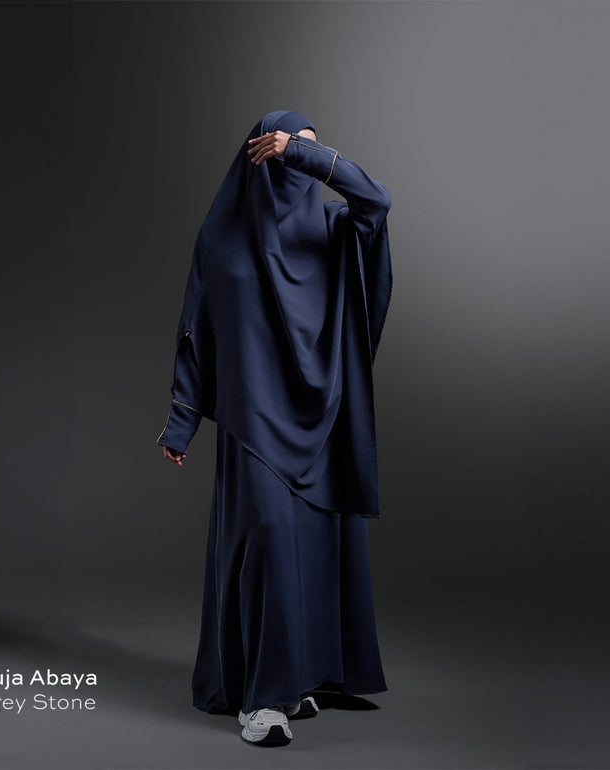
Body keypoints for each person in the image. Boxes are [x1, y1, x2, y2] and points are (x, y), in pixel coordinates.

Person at [156, 110, 393, 747]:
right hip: (251, 419)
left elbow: (377, 201)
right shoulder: (223, 238)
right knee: (267, 541)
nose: (293, 167)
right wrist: (181, 422)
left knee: (313, 550)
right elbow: (196, 329)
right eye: (281, 153)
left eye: (305, 156)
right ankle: (260, 701)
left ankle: (298, 679)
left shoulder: (333, 231)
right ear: (254, 158)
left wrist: (305, 152)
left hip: (322, 416)